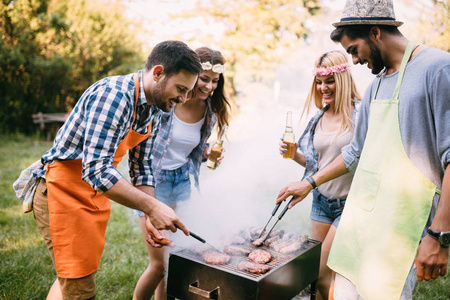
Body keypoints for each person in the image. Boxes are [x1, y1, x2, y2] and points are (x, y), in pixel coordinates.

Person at [276, 0, 450, 299]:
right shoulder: (377, 86)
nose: (354, 61)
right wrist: (309, 182)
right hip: (359, 222)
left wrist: (439, 235)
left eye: (354, 49)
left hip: (401, 227)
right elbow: (355, 154)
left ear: (375, 33)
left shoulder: (437, 69)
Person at [22, 40, 202, 300]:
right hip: (62, 191)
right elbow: (96, 170)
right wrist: (152, 207)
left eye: (188, 91)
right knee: (79, 288)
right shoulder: (114, 96)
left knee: (73, 278)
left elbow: (142, 167)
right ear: (158, 73)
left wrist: (150, 211)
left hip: (94, 195)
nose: (184, 99)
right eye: (181, 89)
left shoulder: (155, 107)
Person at [132, 47, 231, 300]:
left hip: (181, 182)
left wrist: (208, 154)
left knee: (173, 259)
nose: (209, 86)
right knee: (158, 264)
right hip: (153, 183)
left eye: (215, 81)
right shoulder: (168, 100)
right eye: (204, 79)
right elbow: (142, 146)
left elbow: (188, 148)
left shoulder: (208, 110)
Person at [279, 50, 361, 300]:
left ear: (343, 79)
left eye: (329, 80)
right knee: (317, 278)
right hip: (321, 202)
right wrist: (295, 156)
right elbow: (318, 165)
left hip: (349, 203)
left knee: (324, 272)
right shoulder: (319, 117)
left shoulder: (359, 114)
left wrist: (308, 182)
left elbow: (354, 160)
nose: (323, 87)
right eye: (319, 81)